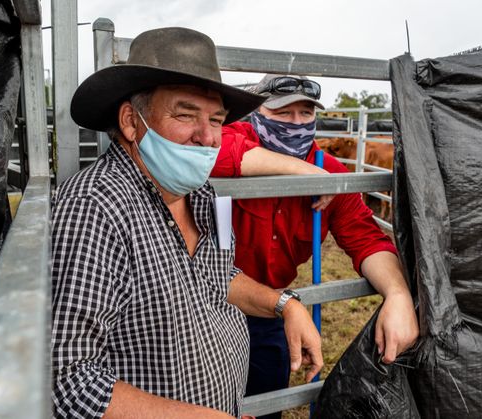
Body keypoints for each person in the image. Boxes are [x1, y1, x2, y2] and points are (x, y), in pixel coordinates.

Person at [51, 30, 326, 419]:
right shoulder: (96, 209)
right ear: (131, 121)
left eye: (216, 120)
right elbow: (66, 380)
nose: (207, 137)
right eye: (185, 114)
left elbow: (218, 275)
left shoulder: (201, 195)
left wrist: (284, 304)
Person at [211, 74, 419, 418]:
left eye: (306, 113)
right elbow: (209, 153)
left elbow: (366, 238)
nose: (296, 123)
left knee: (266, 398)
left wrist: (398, 294)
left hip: (271, 307)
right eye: (282, 113)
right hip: (209, 303)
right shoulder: (234, 139)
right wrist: (301, 171)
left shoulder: (330, 171)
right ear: (257, 113)